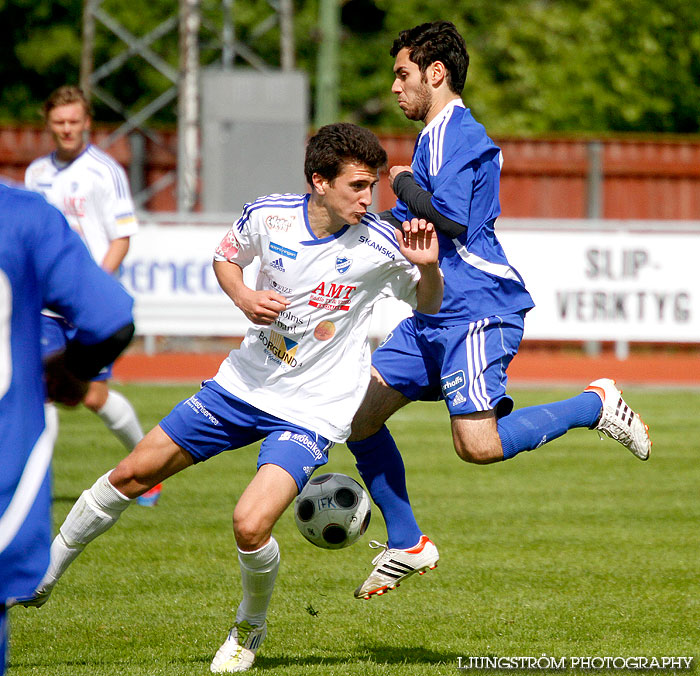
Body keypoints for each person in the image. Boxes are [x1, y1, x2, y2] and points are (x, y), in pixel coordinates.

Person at [14, 123, 443, 673]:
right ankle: (43, 577)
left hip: (313, 406)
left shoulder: (382, 244)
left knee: (249, 523)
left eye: (374, 185)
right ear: (319, 181)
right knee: (128, 476)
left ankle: (249, 627)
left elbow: (429, 306)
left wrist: (428, 270)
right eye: (358, 186)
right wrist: (243, 295)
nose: (369, 198)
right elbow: (227, 257)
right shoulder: (269, 216)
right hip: (242, 385)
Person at [347, 21, 652, 600]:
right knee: (357, 418)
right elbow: (426, 223)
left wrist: (402, 183)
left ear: (435, 74)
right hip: (436, 309)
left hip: (478, 309)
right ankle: (408, 542)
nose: (394, 87)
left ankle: (595, 404)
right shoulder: (434, 136)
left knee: (477, 445)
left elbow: (453, 219)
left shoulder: (455, 132)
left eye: (402, 74)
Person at [0, 180, 135, 676]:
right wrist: (71, 369)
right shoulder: (21, 213)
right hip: (5, 491)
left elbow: (121, 235)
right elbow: (112, 318)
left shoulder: (100, 171)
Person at [24, 85, 161, 506]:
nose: (66, 129)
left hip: (85, 306)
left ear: (87, 123)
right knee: (38, 388)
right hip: (45, 306)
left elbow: (121, 235)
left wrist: (92, 286)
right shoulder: (35, 174)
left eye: (74, 121)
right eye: (59, 122)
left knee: (94, 396)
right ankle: (30, 488)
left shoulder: (105, 172)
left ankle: (149, 469)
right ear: (49, 124)